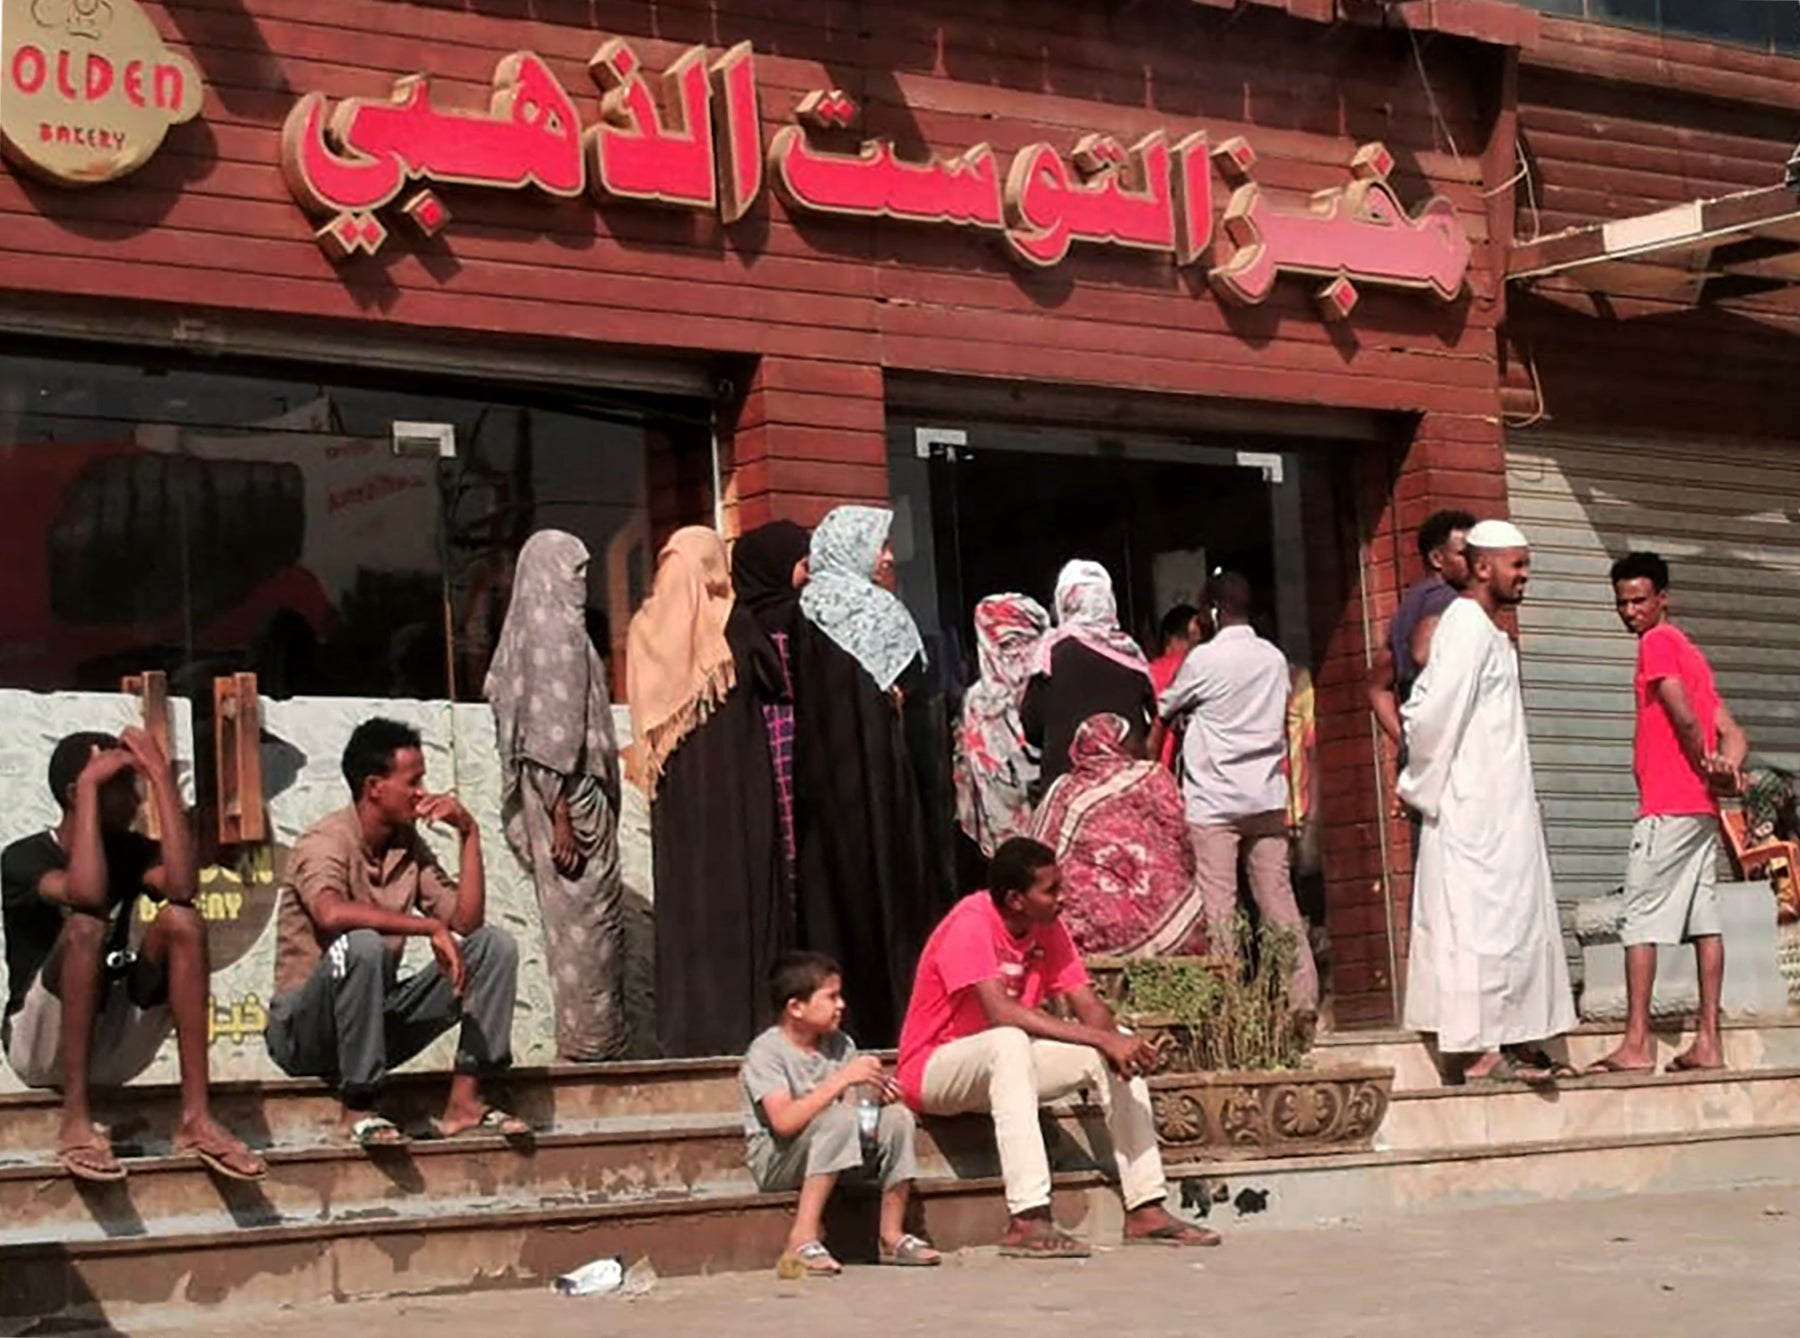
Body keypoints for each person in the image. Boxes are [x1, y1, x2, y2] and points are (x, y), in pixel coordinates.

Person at [897, 837, 1217, 1257]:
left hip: (1005, 1070)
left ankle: (1146, 1207)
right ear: (1015, 900)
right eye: (1051, 891)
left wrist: (1118, 1042)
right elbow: (1001, 1012)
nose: (1063, 899)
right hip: (934, 1071)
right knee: (1010, 1040)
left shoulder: (1050, 927)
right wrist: (1103, 1038)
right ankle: (1028, 1217)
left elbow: (1086, 1005)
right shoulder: (970, 922)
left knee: (1106, 1050)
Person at [3, 729, 266, 1182]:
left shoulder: (129, 851)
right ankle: (76, 1120)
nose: (134, 800)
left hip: (111, 1040)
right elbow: (85, 893)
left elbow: (184, 887)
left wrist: (162, 778)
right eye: (121, 787)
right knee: (86, 924)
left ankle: (196, 1118)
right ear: (76, 794)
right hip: (40, 1046)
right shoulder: (23, 857)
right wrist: (88, 789)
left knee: (183, 921)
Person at [267, 718, 525, 1144]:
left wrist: (469, 832)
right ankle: (358, 1108)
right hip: (303, 1034)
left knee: (494, 947)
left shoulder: (407, 844)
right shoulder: (324, 840)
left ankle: (465, 1101)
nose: (422, 791)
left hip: (373, 1024)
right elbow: (329, 913)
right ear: (374, 787)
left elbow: (465, 922)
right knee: (363, 946)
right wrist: (426, 927)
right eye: (413, 780)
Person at [1398, 520, 1577, 1084]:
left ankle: (1517, 1037)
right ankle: (1476, 1052)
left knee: (1515, 922)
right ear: (1481, 567)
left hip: (1504, 813)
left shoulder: (1491, 633)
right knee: (1475, 928)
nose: (1525, 576)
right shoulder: (1465, 627)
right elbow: (1430, 714)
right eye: (1516, 565)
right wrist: (1421, 787)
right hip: (1471, 811)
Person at [628, 525, 786, 1059]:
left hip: (677, 798)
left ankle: (688, 1033)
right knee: (740, 897)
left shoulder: (645, 630)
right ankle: (744, 1027)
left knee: (687, 902)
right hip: (738, 788)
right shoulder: (731, 622)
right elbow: (773, 676)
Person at [1591, 551, 1747, 1075]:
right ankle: (1708, 1042)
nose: (1630, 611)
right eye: (1622, 603)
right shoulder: (1691, 651)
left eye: (1639, 600)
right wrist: (1726, 769)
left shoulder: (1658, 643)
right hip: (1702, 811)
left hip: (1667, 807)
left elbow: (1681, 711)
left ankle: (1636, 1044)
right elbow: (1734, 731)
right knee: (1705, 922)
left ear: (1663, 599)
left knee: (1638, 918)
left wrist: (1704, 762)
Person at [791, 505, 936, 1047]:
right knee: (890, 890)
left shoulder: (802, 612)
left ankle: (833, 1021)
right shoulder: (882, 612)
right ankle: (900, 1017)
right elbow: (914, 688)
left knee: (832, 892)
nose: (890, 557)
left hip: (820, 782)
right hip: (881, 778)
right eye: (880, 546)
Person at [485, 530, 627, 1063]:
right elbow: (548, 737)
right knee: (587, 934)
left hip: (569, 797)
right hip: (568, 801)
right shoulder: (551, 632)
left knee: (588, 931)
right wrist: (561, 815)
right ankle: (592, 1049)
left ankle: (594, 1042)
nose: (584, 583)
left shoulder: (536, 628)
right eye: (576, 571)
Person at [1158, 572, 1319, 1015]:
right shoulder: (1272, 658)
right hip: (1267, 798)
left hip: (1215, 802)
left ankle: (1228, 1007)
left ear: (1211, 612)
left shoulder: (1203, 662)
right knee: (1277, 901)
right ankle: (1302, 999)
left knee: (1220, 905)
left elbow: (1165, 709)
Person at [740, 951, 940, 1276]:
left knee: (898, 1119)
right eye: (831, 997)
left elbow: (854, 1110)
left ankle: (891, 1234)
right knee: (836, 1120)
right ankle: (801, 1238)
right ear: (796, 1007)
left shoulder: (840, 1044)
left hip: (835, 1149)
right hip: (778, 1159)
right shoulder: (767, 1053)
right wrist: (841, 1080)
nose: (841, 1005)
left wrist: (877, 1096)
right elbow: (784, 1122)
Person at [1029, 713, 1207, 957]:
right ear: (1117, 744)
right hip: (1156, 905)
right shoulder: (1150, 776)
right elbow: (1180, 835)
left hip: (1083, 926)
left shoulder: (1063, 789)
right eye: (1132, 740)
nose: (1139, 745)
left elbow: (1039, 849)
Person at [1022, 560, 1157, 798]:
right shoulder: (1130, 654)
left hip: (1067, 794)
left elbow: (1031, 726)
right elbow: (1151, 717)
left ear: (1064, 602)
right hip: (1125, 792)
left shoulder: (1048, 654)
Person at [731, 520, 813, 887]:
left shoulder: (736, 620)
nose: (808, 575)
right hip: (791, 736)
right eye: (803, 565)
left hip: (755, 738)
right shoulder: (795, 616)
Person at [1368, 509, 1477, 747]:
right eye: (1464, 555)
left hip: (1422, 745)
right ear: (1437, 559)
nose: (1474, 563)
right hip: (1451, 746)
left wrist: (1405, 743)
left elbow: (1378, 686)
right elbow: (1422, 652)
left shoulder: (1411, 604)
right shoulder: (1448, 600)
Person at [954, 593, 1051, 859]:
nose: (1021, 654)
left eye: (1030, 640)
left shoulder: (1047, 687)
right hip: (1003, 844)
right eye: (1008, 643)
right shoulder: (976, 701)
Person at [1147, 604, 1201, 770]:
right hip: (1199, 775)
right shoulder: (1207, 671)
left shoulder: (1148, 673)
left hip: (1160, 772)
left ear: (1166, 638)